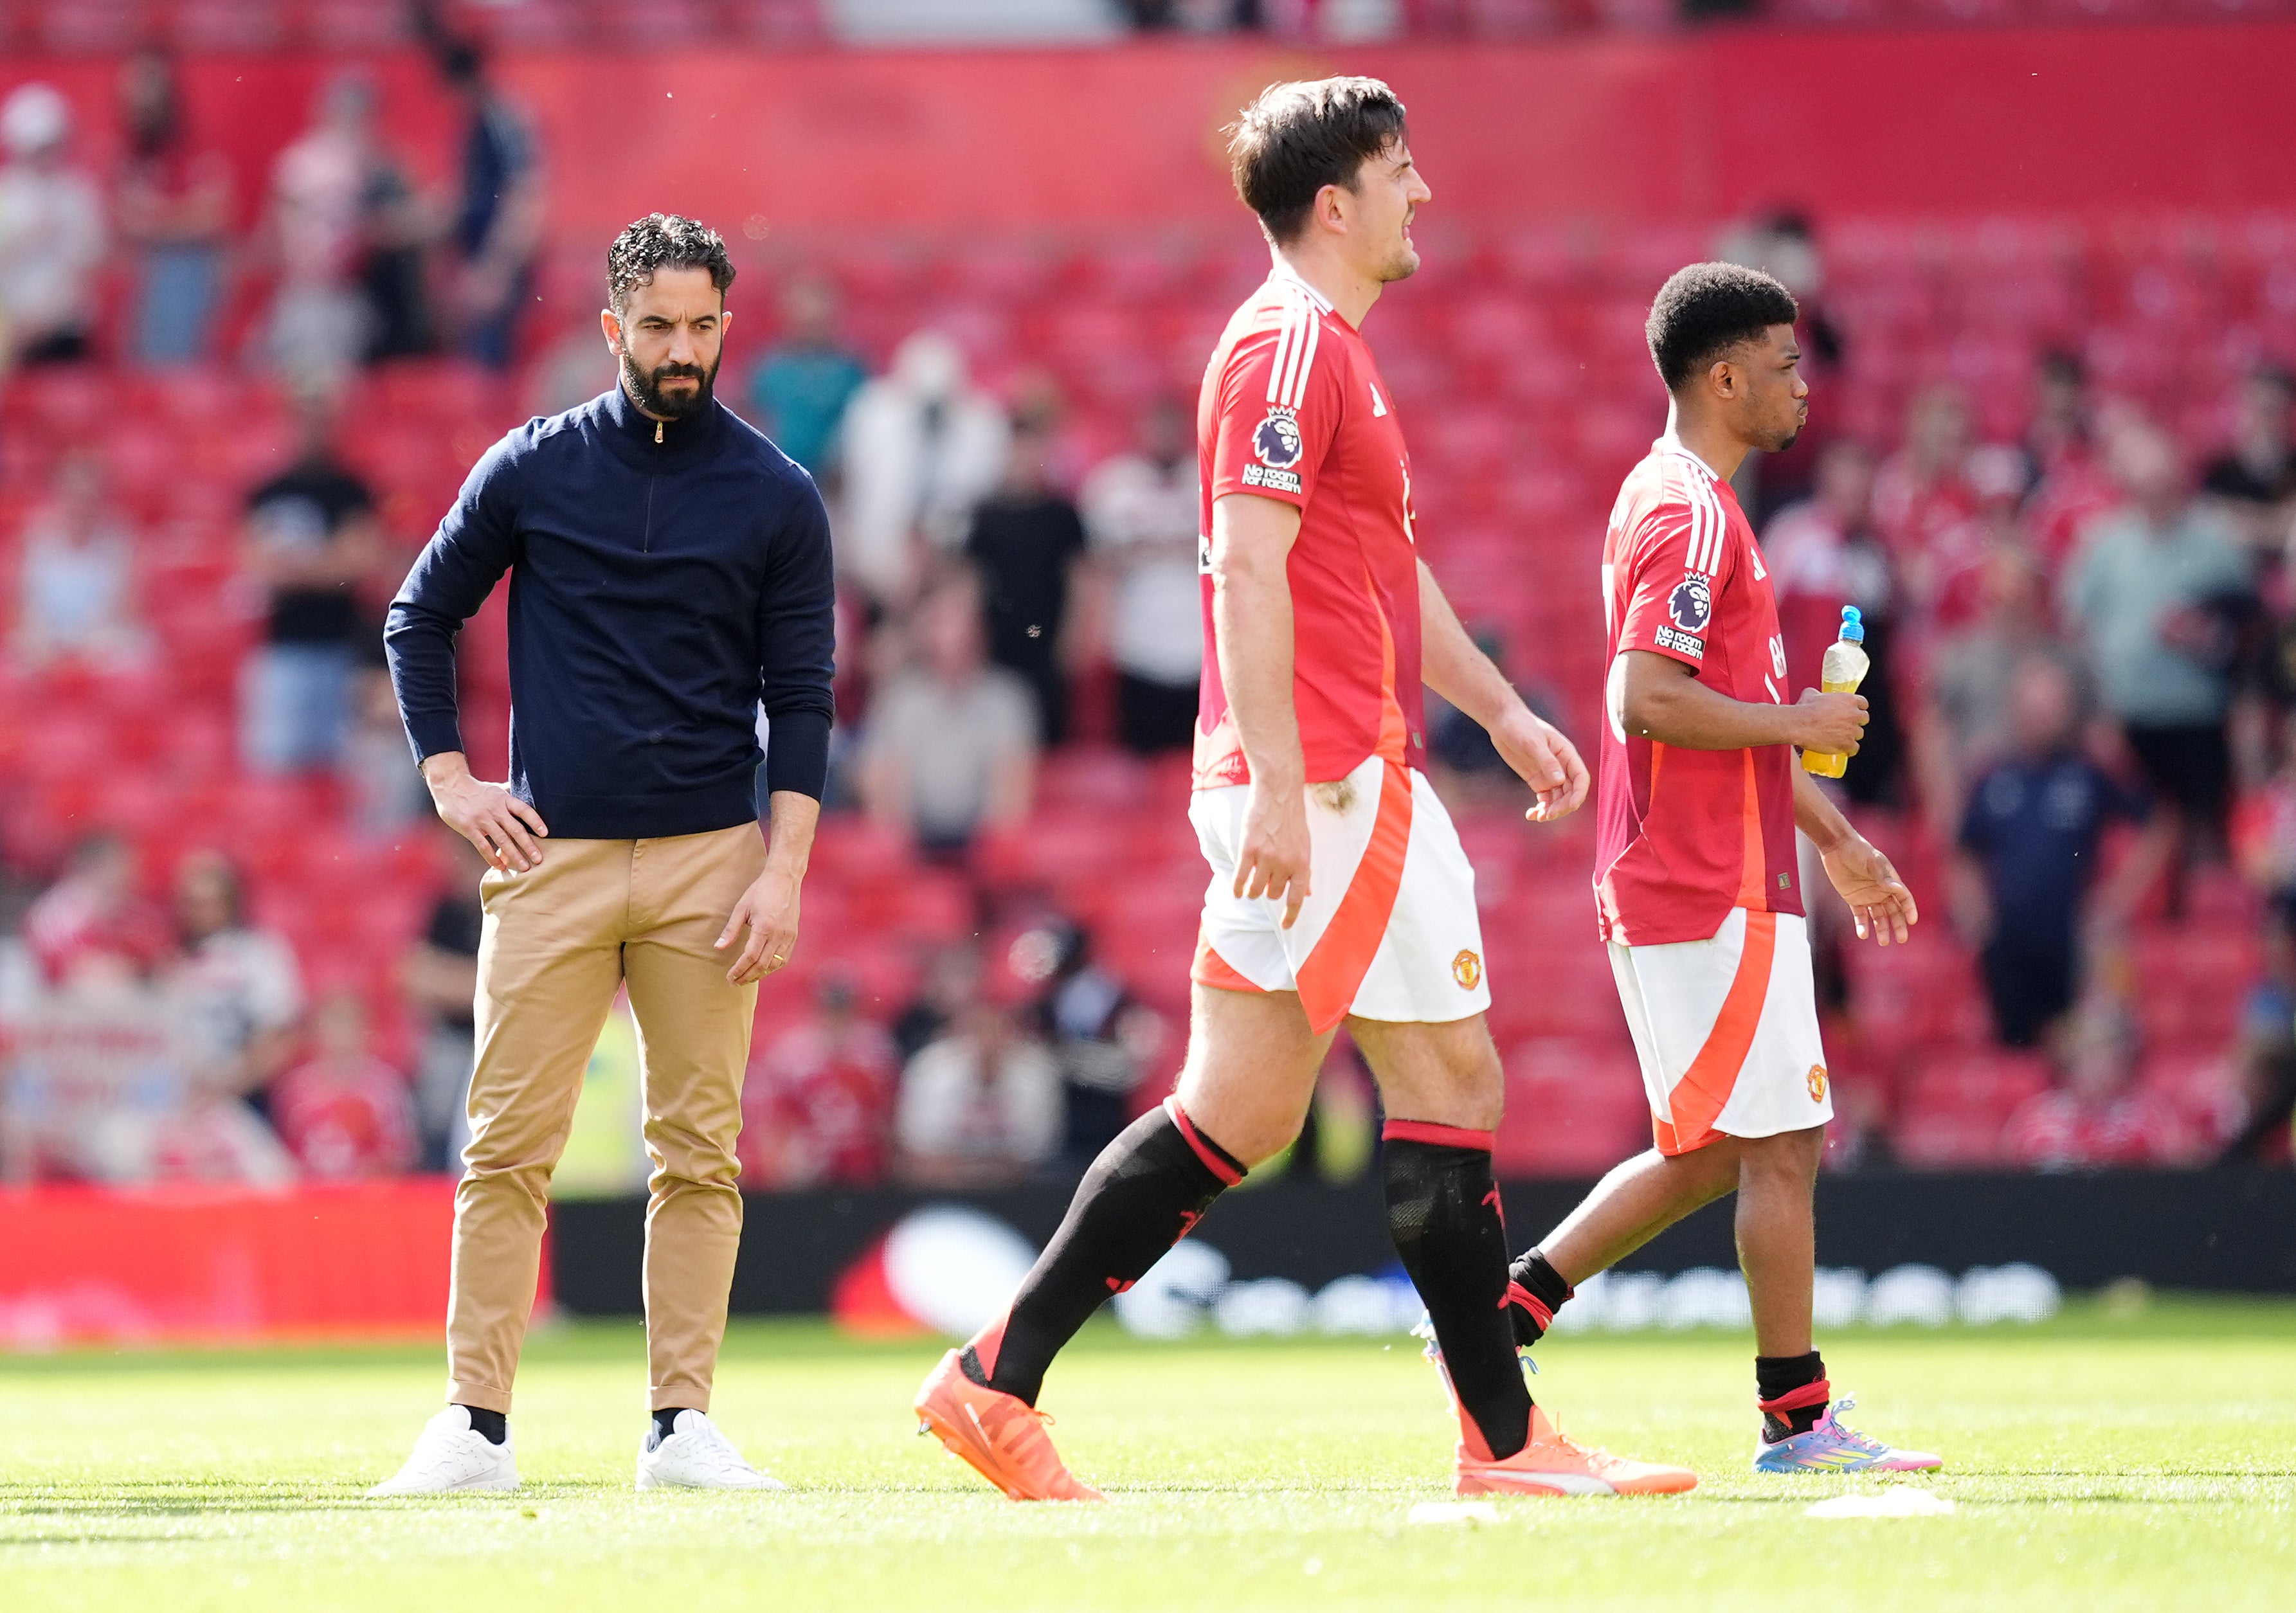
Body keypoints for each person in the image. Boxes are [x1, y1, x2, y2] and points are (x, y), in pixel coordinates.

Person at [910, 78, 1686, 1504]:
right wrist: (1280, 780)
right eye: (1402, 171)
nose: (1424, 194)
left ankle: (992, 1378)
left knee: (1242, 1111)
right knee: (1449, 1077)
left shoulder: (1326, 351)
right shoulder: (1285, 348)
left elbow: (1379, 572)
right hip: (1325, 777)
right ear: (1336, 203)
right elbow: (1244, 569)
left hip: (1323, 764)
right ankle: (1509, 1446)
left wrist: (1504, 709)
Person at [375, 214, 835, 1497]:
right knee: (503, 1146)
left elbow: (802, 699)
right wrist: (453, 780)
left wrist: (782, 868)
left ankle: (680, 1427)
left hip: (709, 857)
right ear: (610, 328)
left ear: (725, 325)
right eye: (657, 327)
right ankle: (473, 1428)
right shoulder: (532, 468)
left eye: (700, 326)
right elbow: (419, 614)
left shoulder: (777, 497)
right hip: (551, 859)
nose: (680, 349)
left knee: (699, 1150)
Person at [1484, 263, 1940, 1477]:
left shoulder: (1687, 501)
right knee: (1777, 1139)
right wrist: (1798, 724)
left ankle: (1504, 1316)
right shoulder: (1689, 511)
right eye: (1786, 362)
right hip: (1694, 874)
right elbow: (1646, 698)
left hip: (1715, 864)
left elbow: (1709, 705)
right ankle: (1796, 1419)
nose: (1804, 382)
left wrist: (1837, 838)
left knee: (1724, 1144)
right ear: (1724, 374)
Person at [2064, 422, 2250, 908]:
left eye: (2165, 484)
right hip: (2127, 715)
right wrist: (2093, 707)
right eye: (2147, 487)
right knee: (2134, 832)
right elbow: (2077, 626)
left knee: (2200, 830)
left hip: (2199, 713)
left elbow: (2244, 625)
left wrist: (2207, 636)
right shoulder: (2104, 544)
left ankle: (2201, 925)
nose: (2156, 496)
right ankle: (2136, 921)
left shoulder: (2215, 541)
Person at [1951, 654, 2155, 1048]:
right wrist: (1975, 914)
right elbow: (1964, 850)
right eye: (2032, 706)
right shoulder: (1993, 777)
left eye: (2049, 707)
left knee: (2072, 1046)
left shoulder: (2088, 774)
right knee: (2012, 1050)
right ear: (2014, 710)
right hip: (2007, 941)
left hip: (2071, 939)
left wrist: (2118, 897)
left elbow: (2156, 823)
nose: (2040, 717)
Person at [239, 386, 383, 773]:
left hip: (342, 646)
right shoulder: (267, 491)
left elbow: (359, 562)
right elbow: (258, 566)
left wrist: (295, 566)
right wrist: (328, 560)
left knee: (345, 772)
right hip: (282, 649)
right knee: (275, 771)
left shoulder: (353, 489)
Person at [858, 567, 1037, 855]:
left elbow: (1010, 804)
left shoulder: (1007, 701)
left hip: (983, 856)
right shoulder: (898, 699)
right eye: (940, 620)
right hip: (913, 854)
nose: (953, 633)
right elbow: (883, 794)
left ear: (981, 628)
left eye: (962, 619)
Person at [836, 330, 1008, 608]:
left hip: (950, 562)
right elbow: (851, 482)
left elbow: (982, 498)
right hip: (880, 555)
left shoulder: (983, 425)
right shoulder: (870, 413)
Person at [1079, 397, 1204, 753]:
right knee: (1138, 764)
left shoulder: (1208, 479)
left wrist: (1149, 547)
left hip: (1198, 646)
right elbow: (1097, 562)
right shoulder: (1113, 484)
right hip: (1136, 647)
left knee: (1194, 765)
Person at [966, 419, 1089, 743]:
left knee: (1046, 732)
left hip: (1047, 640)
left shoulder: (1063, 515)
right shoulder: (986, 515)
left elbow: (1080, 579)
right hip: (997, 640)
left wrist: (1075, 635)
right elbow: (971, 580)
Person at [114, 48, 235, 366]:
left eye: (147, 87)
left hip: (185, 274)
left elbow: (214, 218)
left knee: (176, 372)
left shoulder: (195, 149)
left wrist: (155, 222)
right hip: (143, 279)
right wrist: (175, 217)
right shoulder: (133, 155)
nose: (139, 100)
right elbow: (125, 222)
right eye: (133, 89)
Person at [894, 969, 1063, 1189]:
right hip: (943, 1186)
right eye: (977, 1027)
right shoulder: (933, 1068)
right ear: (957, 1030)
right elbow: (919, 1153)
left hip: (1016, 1188)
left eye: (996, 1026)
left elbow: (1037, 1154)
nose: (987, 1040)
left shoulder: (1035, 1070)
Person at [165, 849, 305, 1104]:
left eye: (208, 903)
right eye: (190, 903)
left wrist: (228, 1086)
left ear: (231, 901)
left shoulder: (259, 953)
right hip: (177, 1093)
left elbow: (280, 1033)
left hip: (243, 1093)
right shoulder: (167, 957)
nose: (197, 912)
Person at [739, 968, 898, 1189]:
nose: (836, 1017)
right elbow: (779, 1117)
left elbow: (886, 1113)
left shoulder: (874, 1051)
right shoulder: (792, 1056)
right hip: (810, 1162)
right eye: (831, 1008)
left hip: (864, 1162)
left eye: (843, 1008)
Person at [435, 39, 541, 370]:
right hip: (477, 266)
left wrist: (495, 271)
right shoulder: (476, 122)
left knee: (490, 368)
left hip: (498, 269)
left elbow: (525, 195)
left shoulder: (503, 120)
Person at [2002, 1003, 2190, 1169]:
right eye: (2086, 1054)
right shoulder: (2033, 1118)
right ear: (2066, 1061)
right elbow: (2006, 1182)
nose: (2096, 1066)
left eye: (2104, 1054)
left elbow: (2182, 1177)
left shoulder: (2152, 1117)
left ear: (2123, 1062)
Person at [401, 822, 487, 1171]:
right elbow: (412, 976)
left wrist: (453, 981)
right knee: (435, 1105)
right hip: (455, 1037)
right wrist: (480, 983)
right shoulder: (449, 910)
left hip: (503, 1036)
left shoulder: (514, 909)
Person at [0, 83, 105, 365]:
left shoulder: (79, 197)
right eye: (35, 147)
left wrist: (40, 324)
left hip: (64, 333)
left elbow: (85, 271)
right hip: (10, 335)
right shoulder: (6, 194)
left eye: (49, 145)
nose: (43, 156)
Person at [13, 451, 149, 669]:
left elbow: (127, 608)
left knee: (134, 657)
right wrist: (49, 644)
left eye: (88, 497)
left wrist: (86, 646)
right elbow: (26, 605)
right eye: (74, 495)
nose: (81, 505)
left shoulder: (120, 543)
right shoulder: (36, 540)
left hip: (103, 640)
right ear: (60, 495)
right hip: (46, 640)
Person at [270, 991, 417, 1178]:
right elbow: (285, 1151)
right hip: (311, 1192)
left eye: (349, 1026)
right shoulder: (295, 1089)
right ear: (315, 1034)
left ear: (367, 1033)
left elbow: (399, 1153)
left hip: (367, 1193)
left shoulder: (386, 1088)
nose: (341, 1037)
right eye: (333, 1026)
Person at [746, 276, 869, 480]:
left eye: (818, 313)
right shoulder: (768, 368)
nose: (811, 320)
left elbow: (865, 426)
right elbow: (751, 422)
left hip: (838, 481)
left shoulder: (852, 369)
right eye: (803, 311)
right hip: (779, 478)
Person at [2200, 365, 2295, 552]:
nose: (2265, 418)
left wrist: (2242, 515)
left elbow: (2291, 529)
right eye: (2257, 406)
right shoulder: (2218, 470)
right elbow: (2211, 525)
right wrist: (2276, 520)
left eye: (2273, 409)